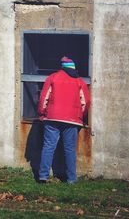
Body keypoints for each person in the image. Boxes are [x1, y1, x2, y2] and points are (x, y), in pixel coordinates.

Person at [38, 56, 90, 184]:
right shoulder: (79, 81)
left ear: (62, 67)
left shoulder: (53, 77)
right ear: (73, 68)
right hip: (72, 120)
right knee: (70, 149)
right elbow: (86, 102)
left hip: (52, 117)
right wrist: (80, 116)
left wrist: (42, 113)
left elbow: (44, 98)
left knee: (49, 146)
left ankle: (43, 176)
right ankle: (71, 179)